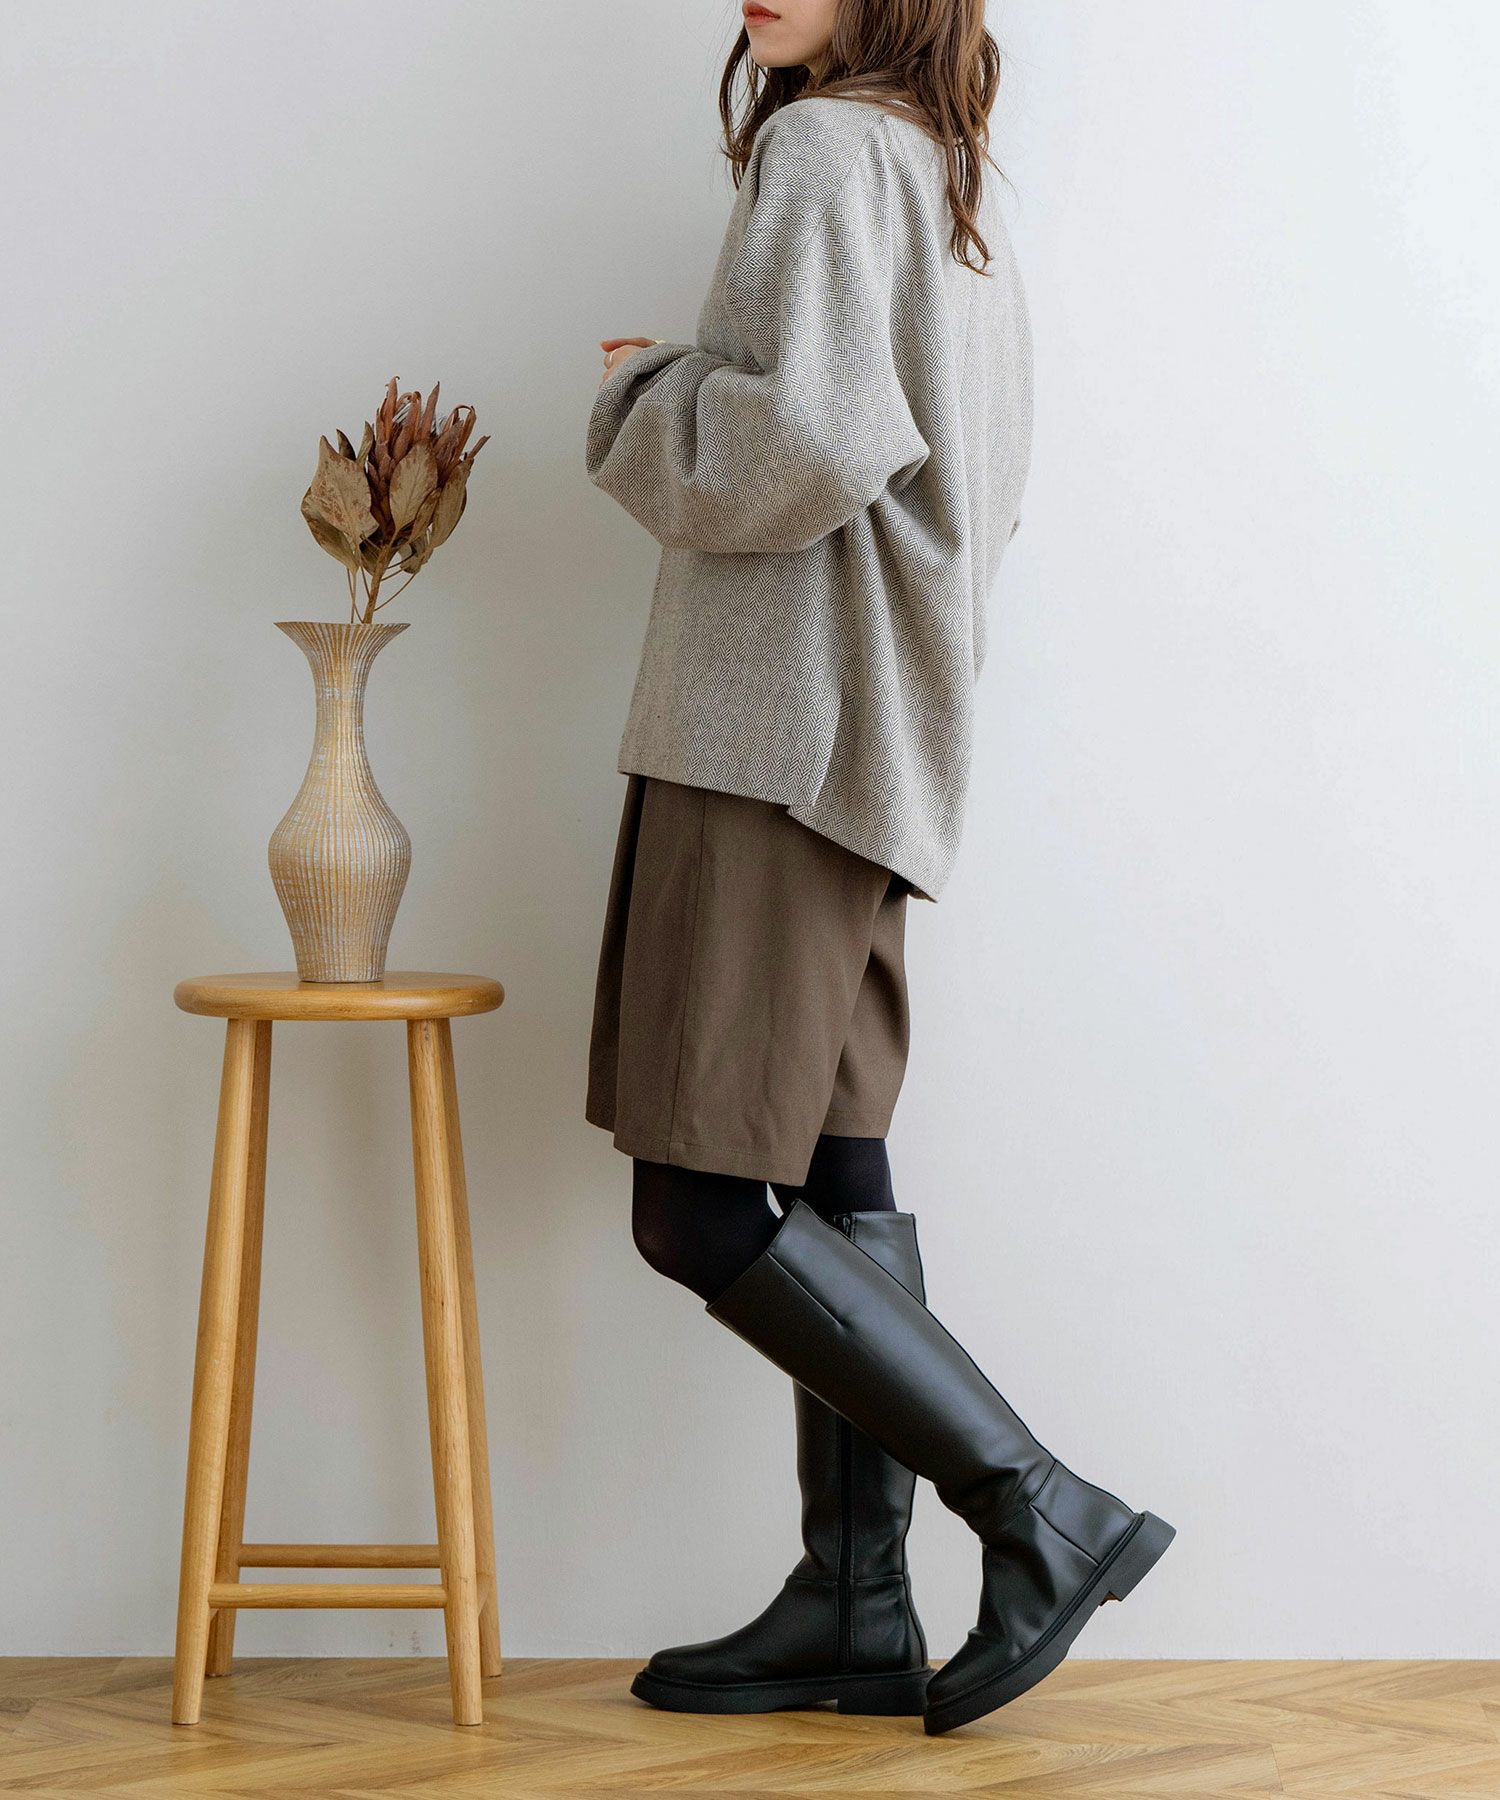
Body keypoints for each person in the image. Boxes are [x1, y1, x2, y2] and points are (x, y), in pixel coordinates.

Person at [582, 0, 1173, 1736]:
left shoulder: (826, 148)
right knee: (836, 1171)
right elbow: (973, 487)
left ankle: (1037, 1509)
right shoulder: (948, 177)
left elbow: (812, 439)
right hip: (876, 747)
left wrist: (640, 392)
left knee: (698, 1203)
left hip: (770, 737)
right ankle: (853, 1600)